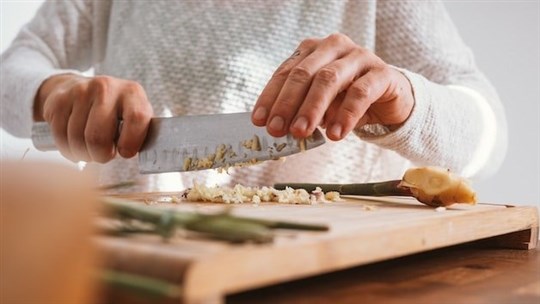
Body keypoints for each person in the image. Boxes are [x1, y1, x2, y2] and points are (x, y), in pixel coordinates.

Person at [0, 0, 507, 192]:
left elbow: (488, 138)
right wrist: (52, 91)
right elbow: (12, 72)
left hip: (323, 279)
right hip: (128, 264)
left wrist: (410, 104)